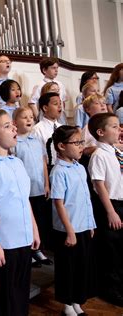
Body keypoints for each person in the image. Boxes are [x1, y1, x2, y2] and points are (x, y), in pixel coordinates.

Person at [0, 109, 40, 316]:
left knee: (21, 293)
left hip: (24, 238)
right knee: (5, 297)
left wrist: (34, 229)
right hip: (5, 242)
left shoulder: (17, 162)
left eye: (12, 124)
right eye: (6, 126)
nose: (13, 128)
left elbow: (24, 199)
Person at [49, 125, 96, 315]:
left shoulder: (80, 168)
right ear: (61, 146)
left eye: (81, 142)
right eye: (76, 143)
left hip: (83, 226)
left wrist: (90, 223)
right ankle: (67, 303)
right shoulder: (59, 171)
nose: (81, 146)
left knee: (81, 266)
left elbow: (86, 198)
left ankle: (77, 299)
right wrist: (69, 231)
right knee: (67, 268)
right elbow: (59, 203)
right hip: (67, 229)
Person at [88, 113, 123, 306]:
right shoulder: (99, 155)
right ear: (101, 132)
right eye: (115, 127)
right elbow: (99, 185)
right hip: (110, 205)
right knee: (112, 251)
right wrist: (111, 211)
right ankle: (111, 290)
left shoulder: (114, 151)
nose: (119, 130)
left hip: (121, 202)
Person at [13, 106, 53, 266]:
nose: (29, 119)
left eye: (31, 117)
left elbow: (43, 162)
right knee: (26, 221)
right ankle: (28, 250)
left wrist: (47, 183)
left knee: (40, 220)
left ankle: (38, 249)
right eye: (24, 117)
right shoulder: (14, 143)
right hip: (25, 191)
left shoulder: (36, 140)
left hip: (39, 188)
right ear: (15, 122)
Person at [29, 57, 67, 122]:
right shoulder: (40, 85)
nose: (56, 70)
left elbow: (63, 101)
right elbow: (32, 103)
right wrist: (38, 118)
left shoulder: (60, 84)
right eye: (53, 68)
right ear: (44, 70)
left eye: (57, 68)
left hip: (60, 117)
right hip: (46, 117)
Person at [32, 92, 63, 169]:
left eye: (60, 103)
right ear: (45, 108)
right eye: (55, 104)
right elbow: (37, 154)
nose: (59, 106)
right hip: (48, 167)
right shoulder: (37, 129)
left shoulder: (62, 127)